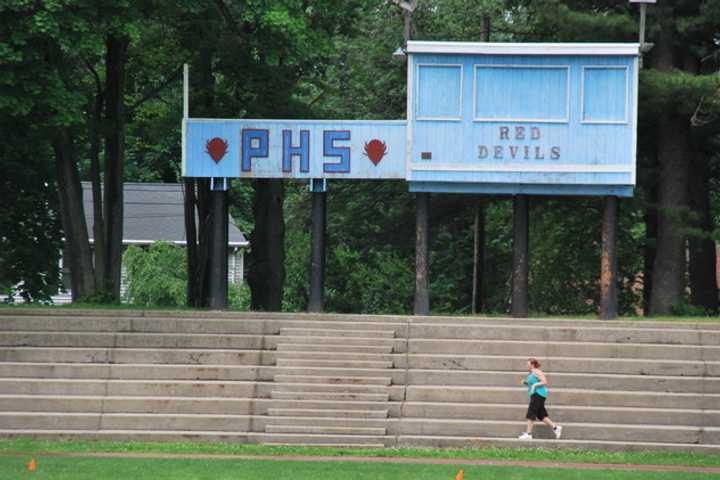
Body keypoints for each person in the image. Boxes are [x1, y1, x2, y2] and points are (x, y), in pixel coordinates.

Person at [518, 358, 562, 441]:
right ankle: (556, 428)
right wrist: (526, 383)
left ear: (532, 365)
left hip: (538, 394)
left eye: (528, 364)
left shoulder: (536, 371)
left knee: (531, 413)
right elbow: (532, 384)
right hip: (536, 394)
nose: (526, 366)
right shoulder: (532, 373)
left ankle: (528, 434)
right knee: (541, 415)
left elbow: (544, 381)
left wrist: (535, 386)